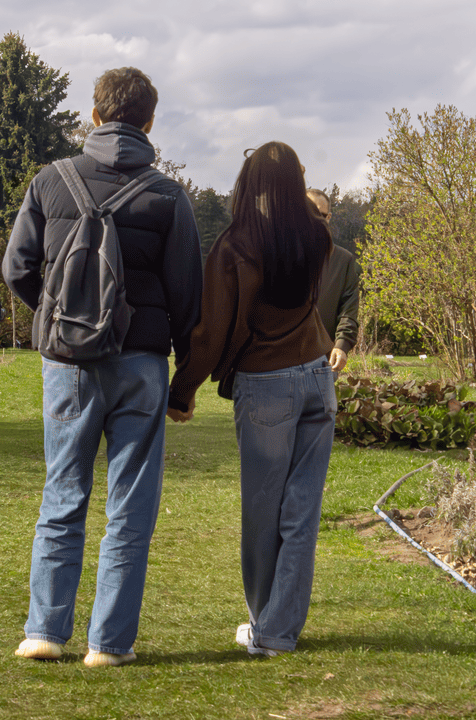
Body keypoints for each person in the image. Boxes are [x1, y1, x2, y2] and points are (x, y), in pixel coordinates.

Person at [2, 66, 202, 668]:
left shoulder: (50, 182)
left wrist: (62, 317)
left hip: (69, 363)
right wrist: (185, 382)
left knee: (62, 492)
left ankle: (44, 632)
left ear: (94, 116)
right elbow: (189, 298)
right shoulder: (167, 196)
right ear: (148, 121)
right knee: (130, 506)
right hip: (141, 363)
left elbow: (17, 267)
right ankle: (109, 645)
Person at [167, 141, 335, 657]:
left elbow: (210, 333)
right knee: (302, 513)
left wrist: (183, 389)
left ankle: (266, 627)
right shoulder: (318, 238)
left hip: (267, 387)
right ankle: (279, 631)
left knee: (263, 513)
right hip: (318, 380)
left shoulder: (235, 247)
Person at [306, 188, 361, 370]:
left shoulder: (344, 260)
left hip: (323, 363)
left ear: (328, 217)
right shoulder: (278, 255)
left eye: (321, 215)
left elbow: (348, 311)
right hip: (281, 365)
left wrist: (342, 344)